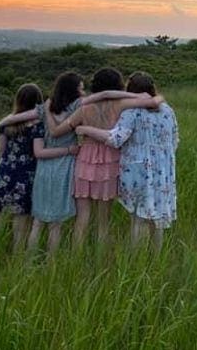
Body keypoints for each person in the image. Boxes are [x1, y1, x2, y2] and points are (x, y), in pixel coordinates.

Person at [45, 67, 160, 247]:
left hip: (84, 160)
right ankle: (101, 259)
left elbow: (57, 132)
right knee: (103, 222)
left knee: (82, 219)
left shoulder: (84, 108)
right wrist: (125, 95)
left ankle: (75, 260)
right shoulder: (121, 105)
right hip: (110, 160)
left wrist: (46, 111)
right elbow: (151, 101)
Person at [76, 72, 178, 251]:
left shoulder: (131, 113)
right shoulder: (167, 109)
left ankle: (136, 261)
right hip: (163, 171)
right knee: (156, 218)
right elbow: (175, 139)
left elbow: (115, 139)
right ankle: (156, 257)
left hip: (138, 171)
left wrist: (86, 129)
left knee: (138, 218)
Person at [26, 72, 84, 255]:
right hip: (64, 166)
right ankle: (52, 264)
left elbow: (20, 117)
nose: (83, 91)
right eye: (81, 87)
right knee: (55, 224)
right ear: (73, 89)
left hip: (44, 167)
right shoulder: (77, 107)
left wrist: (3, 121)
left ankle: (28, 262)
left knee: (38, 221)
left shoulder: (45, 108)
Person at [0, 83, 43, 254]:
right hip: (26, 176)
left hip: (4, 173)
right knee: (21, 229)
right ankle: (17, 265)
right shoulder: (38, 125)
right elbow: (37, 152)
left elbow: (1, 151)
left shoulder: (6, 123)